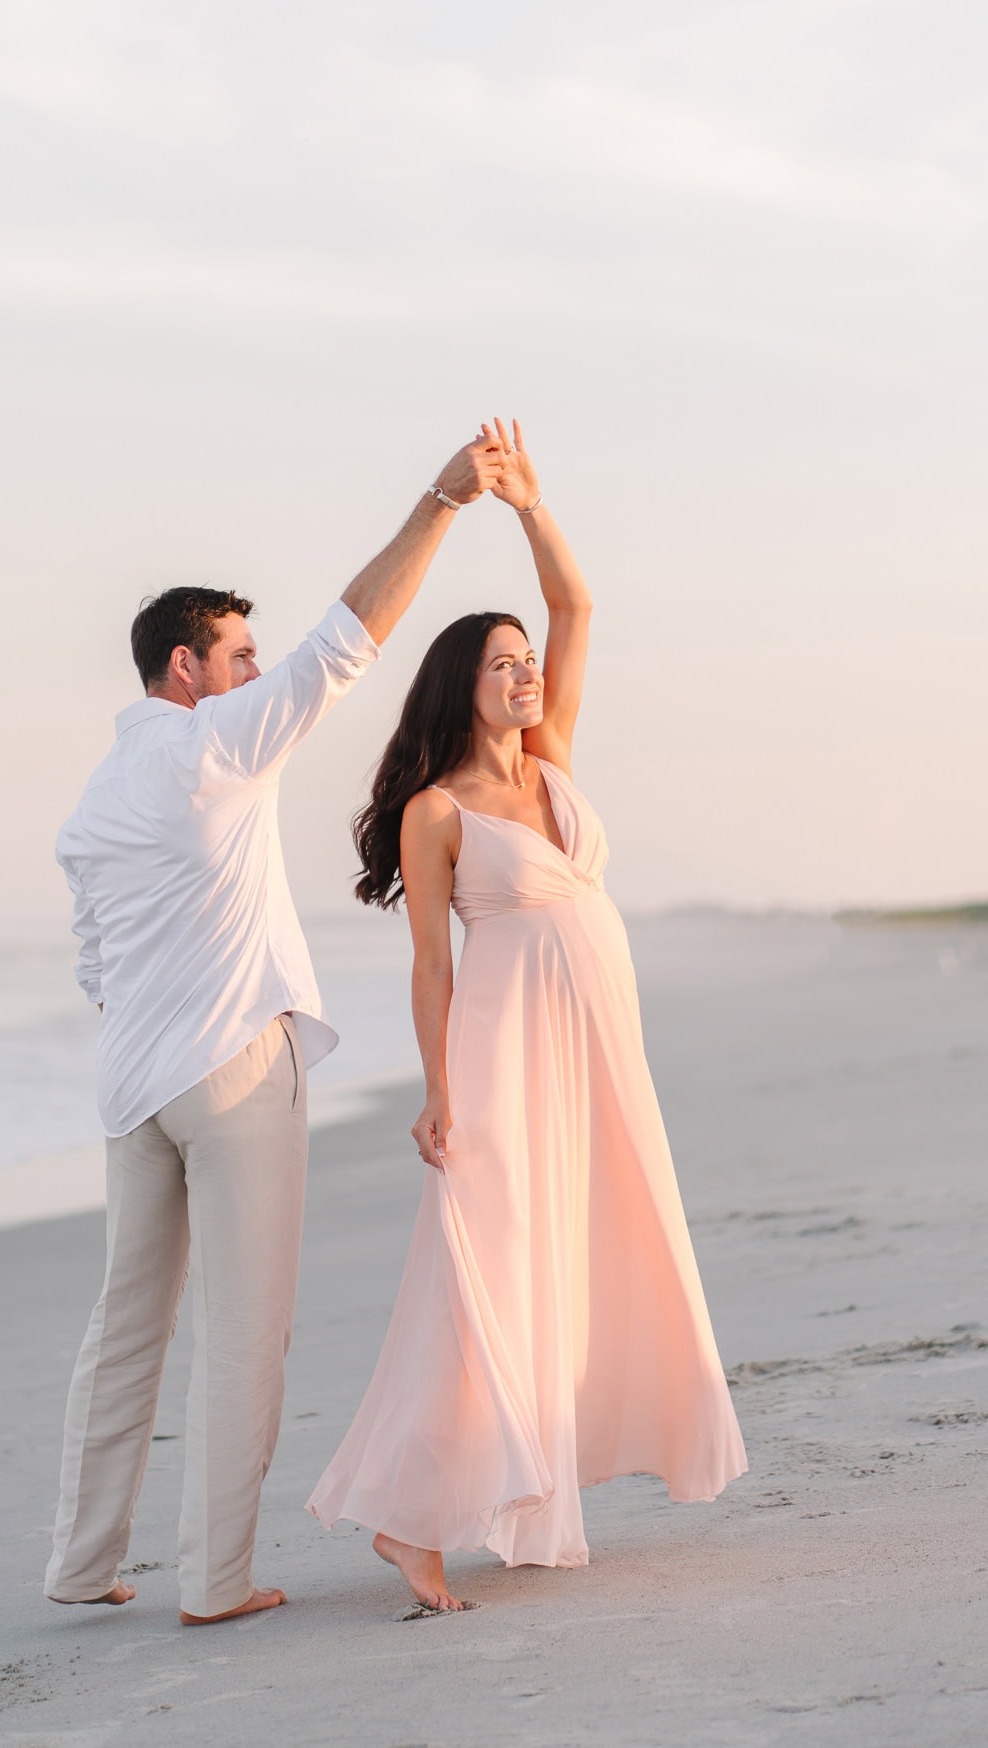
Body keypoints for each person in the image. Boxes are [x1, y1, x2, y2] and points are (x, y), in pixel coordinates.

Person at [43, 430, 509, 1626]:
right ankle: (216, 1580)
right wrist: (441, 501)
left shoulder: (97, 796)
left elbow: (95, 960)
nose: (258, 671)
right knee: (245, 1330)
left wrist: (154, 1012)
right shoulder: (218, 741)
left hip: (133, 1087)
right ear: (187, 667)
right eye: (240, 654)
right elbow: (350, 638)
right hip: (237, 1069)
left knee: (126, 1323)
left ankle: (83, 1562)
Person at [307, 420, 747, 1610]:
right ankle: (410, 1520)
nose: (526, 672)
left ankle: (526, 1479)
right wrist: (439, 1092)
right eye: (503, 662)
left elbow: (578, 606)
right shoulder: (436, 812)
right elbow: (431, 969)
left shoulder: (551, 759)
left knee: (583, 1252)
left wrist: (530, 506)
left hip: (598, 1054)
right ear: (463, 683)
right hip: (504, 1060)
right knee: (485, 1266)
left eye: (526, 659)